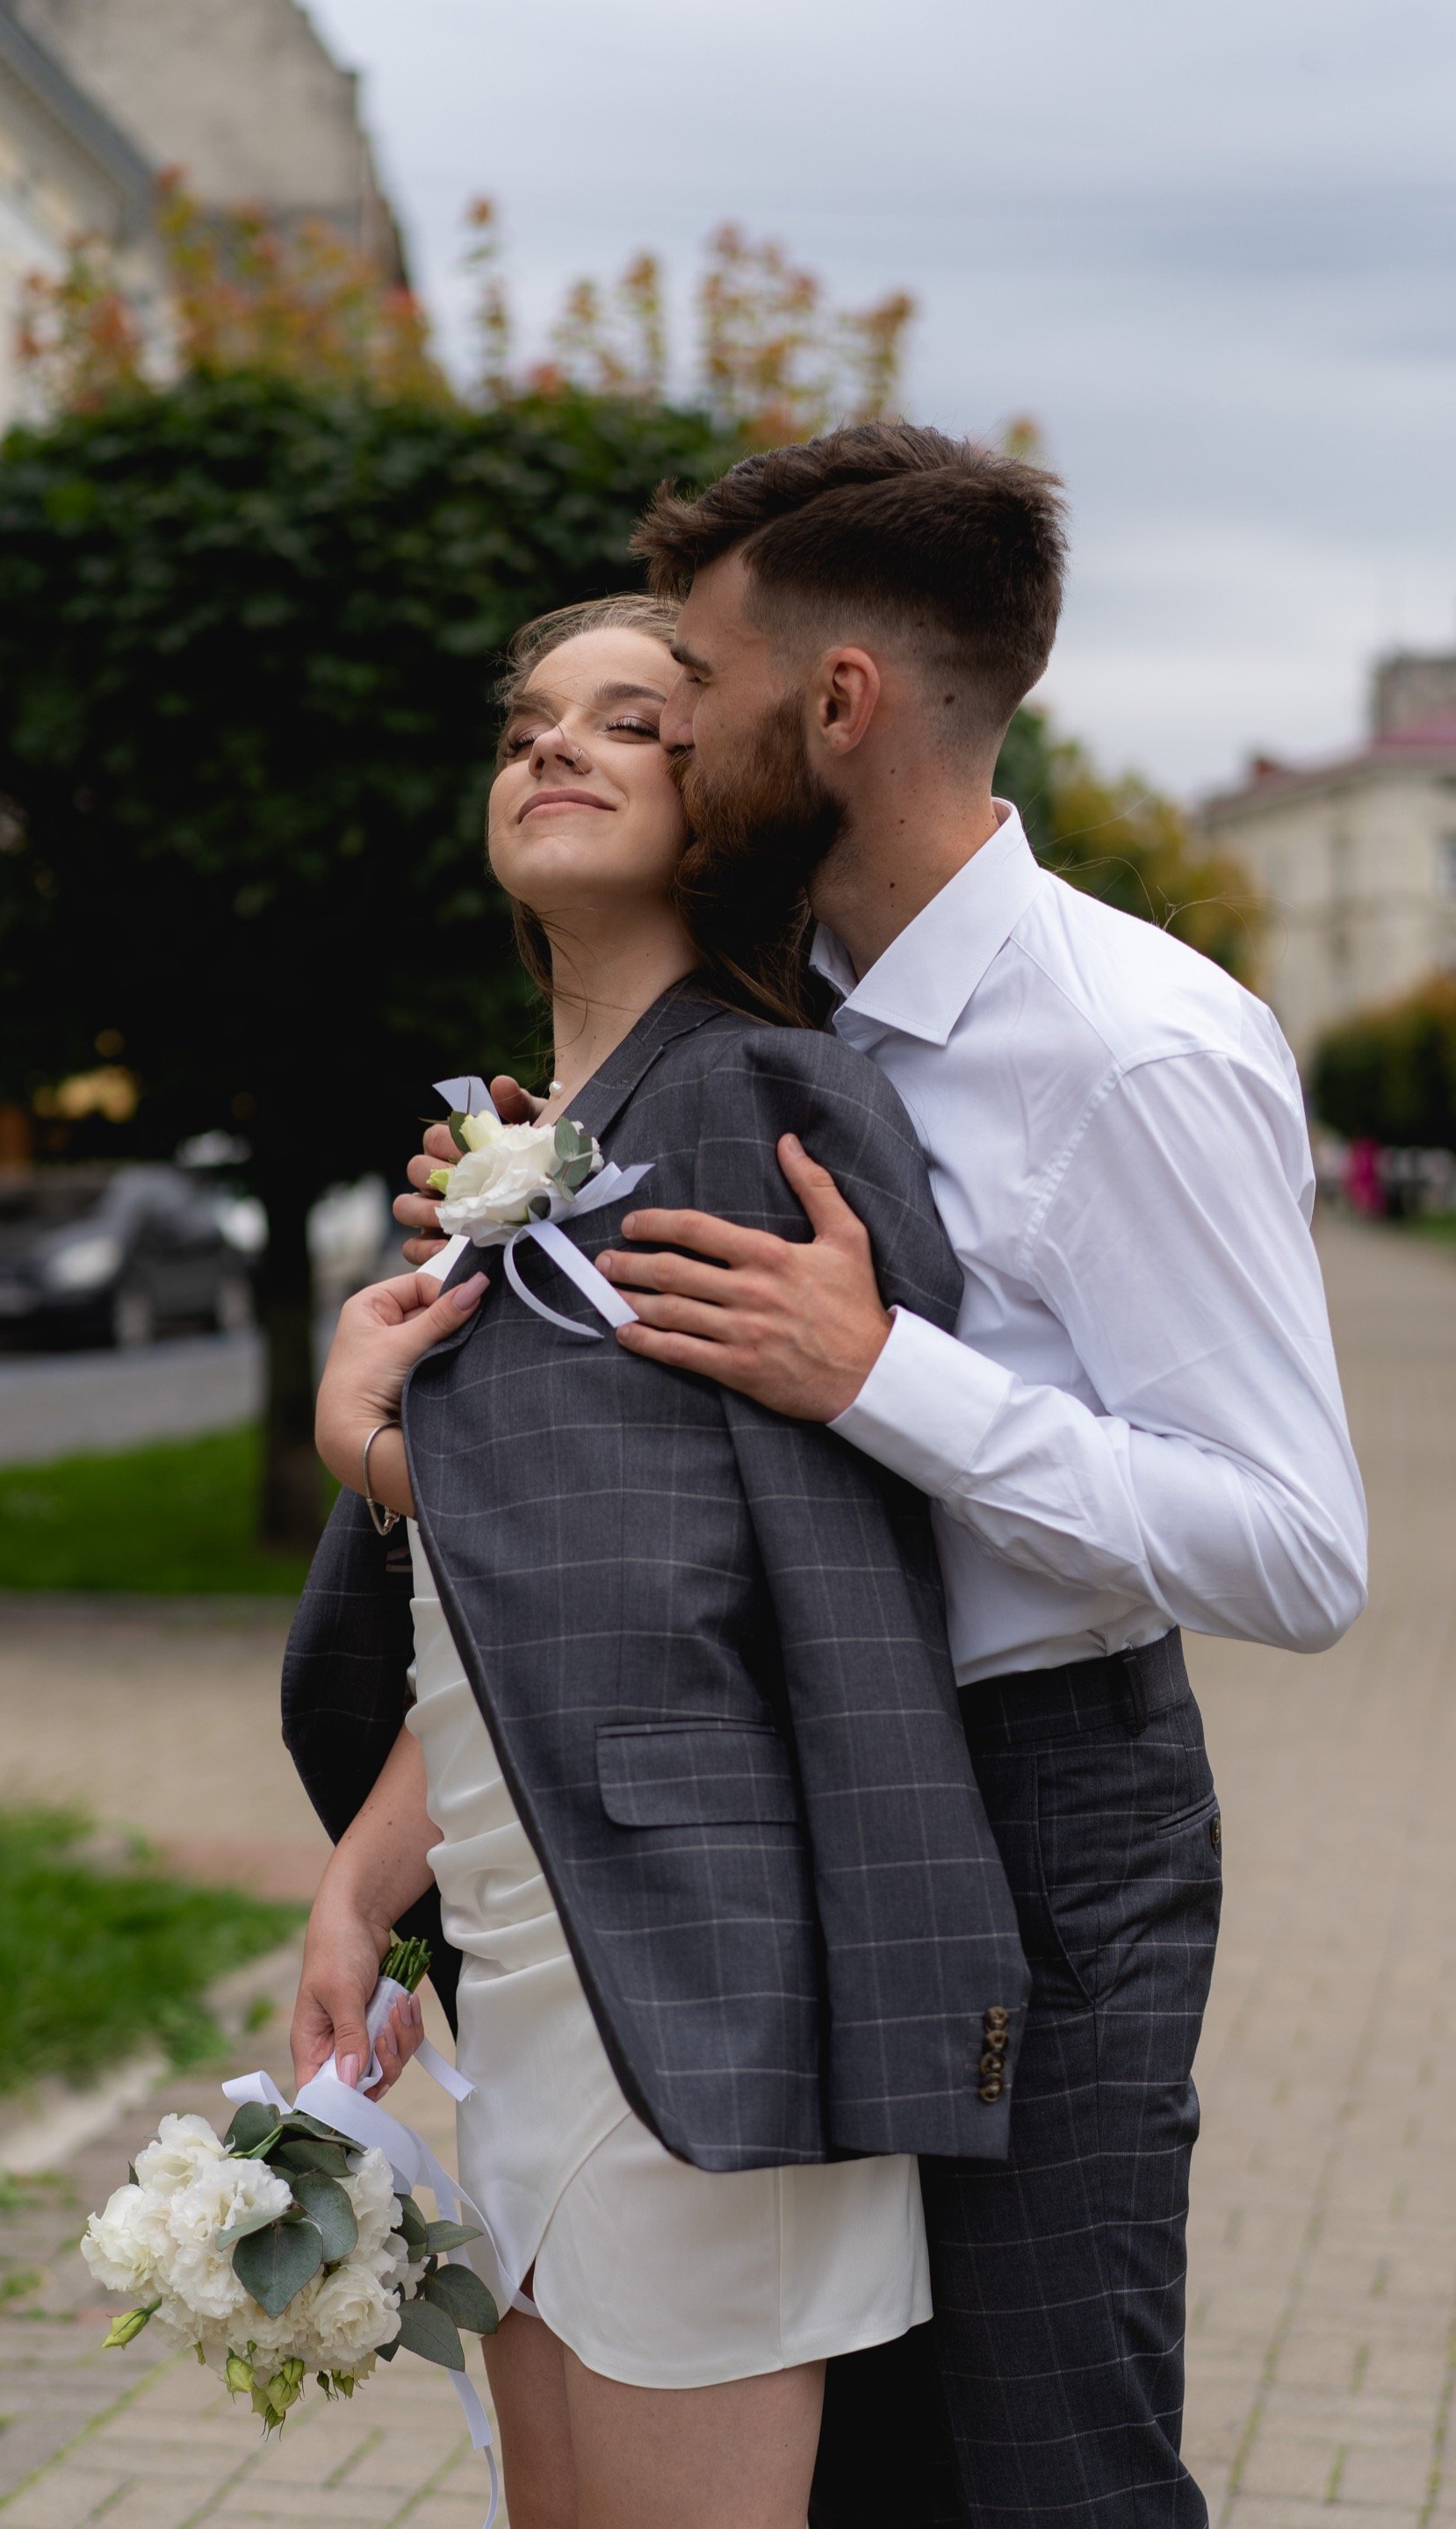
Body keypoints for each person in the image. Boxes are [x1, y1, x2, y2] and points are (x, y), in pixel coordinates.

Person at [396, 426, 1371, 2529]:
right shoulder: (761, 1017)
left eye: (705, 685)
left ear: (834, 709)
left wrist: (885, 1375)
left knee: (1044, 2470)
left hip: (1040, 1804)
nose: (667, 715)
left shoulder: (1137, 1044)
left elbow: (1297, 1550)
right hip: (780, 1808)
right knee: (843, 2467)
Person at [285, 593, 1028, 2529]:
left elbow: (698, 1563)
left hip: (701, 1973)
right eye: (529, 719)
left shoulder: (757, 1099)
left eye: (631, 722)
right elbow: (515, 1609)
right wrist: (368, 1881)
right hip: (530, 1965)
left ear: (731, 802)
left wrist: (373, 1448)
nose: (555, 746)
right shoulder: (531, 1148)